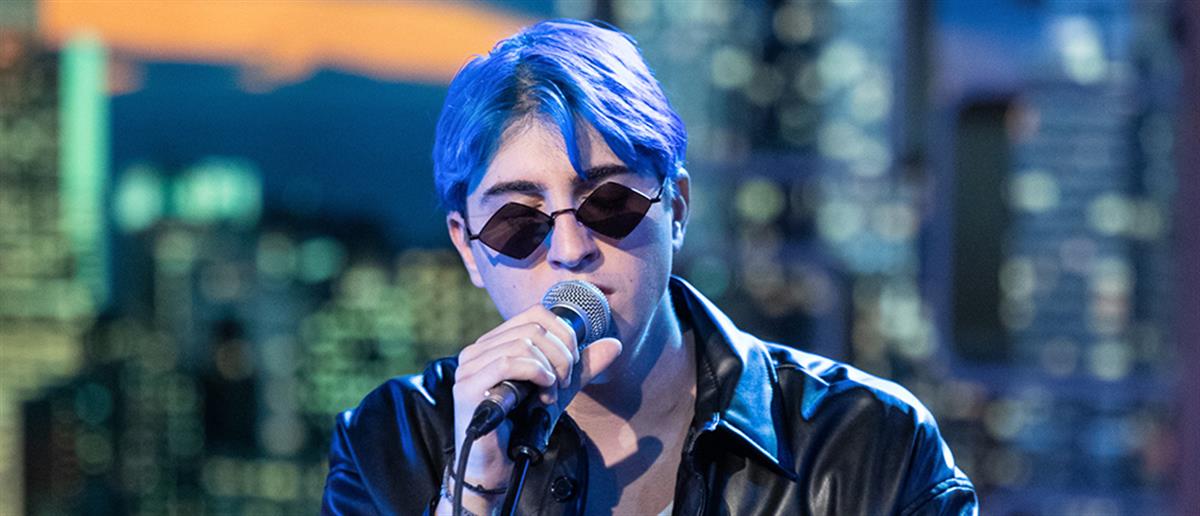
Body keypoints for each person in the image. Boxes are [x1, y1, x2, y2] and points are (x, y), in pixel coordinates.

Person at [321, 19, 978, 516]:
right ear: (468, 248)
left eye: (608, 203)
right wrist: (473, 493)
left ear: (677, 208)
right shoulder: (390, 443)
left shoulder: (868, 441)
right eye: (519, 222)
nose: (570, 247)